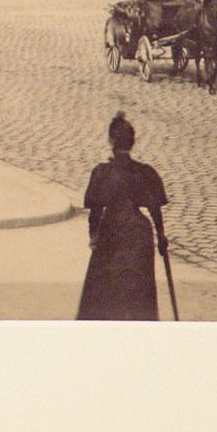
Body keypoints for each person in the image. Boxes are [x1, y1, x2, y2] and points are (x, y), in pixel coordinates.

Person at [76, 112, 170, 321]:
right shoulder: (144, 172)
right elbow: (155, 208)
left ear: (110, 141)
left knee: (103, 289)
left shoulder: (103, 173)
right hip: (139, 235)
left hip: (112, 230)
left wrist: (94, 236)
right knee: (139, 290)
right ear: (132, 142)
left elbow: (95, 210)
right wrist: (161, 237)